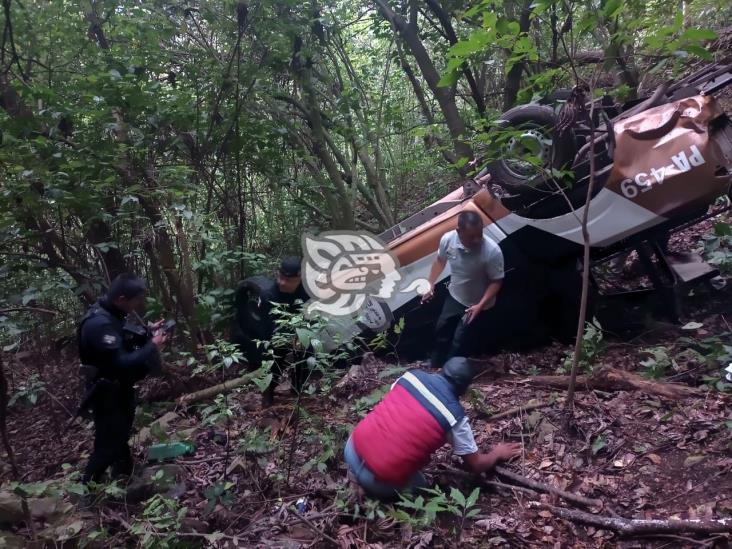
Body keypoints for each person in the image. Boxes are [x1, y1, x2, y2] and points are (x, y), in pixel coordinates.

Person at [344, 357, 521, 501]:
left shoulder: (410, 377)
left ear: (442, 370)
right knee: (422, 484)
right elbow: (476, 465)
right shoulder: (454, 417)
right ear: (465, 389)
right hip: (378, 482)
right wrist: (496, 453)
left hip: (352, 448)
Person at [77, 274, 168, 483]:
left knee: (118, 437)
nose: (140, 304)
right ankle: (86, 491)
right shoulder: (99, 324)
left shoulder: (112, 313)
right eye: (137, 300)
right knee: (107, 446)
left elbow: (123, 339)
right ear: (121, 299)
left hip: (119, 390)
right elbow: (121, 362)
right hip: (107, 394)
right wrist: (153, 345)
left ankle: (124, 474)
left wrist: (148, 332)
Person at [422, 211, 504, 368]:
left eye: (479, 234)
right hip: (455, 296)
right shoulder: (448, 240)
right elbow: (439, 261)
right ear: (458, 231)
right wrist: (430, 284)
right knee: (442, 329)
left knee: (461, 339)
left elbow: (496, 281)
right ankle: (435, 363)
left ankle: (450, 370)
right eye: (471, 236)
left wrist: (480, 305)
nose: (477, 239)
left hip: (478, 304)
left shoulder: (492, 251)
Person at [231, 257, 309, 407]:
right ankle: (268, 393)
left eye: (288, 280)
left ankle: (297, 388)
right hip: (276, 335)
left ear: (299, 279)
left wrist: (302, 335)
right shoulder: (269, 295)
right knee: (274, 356)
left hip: (299, 332)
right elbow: (268, 328)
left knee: (307, 351)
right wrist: (287, 337)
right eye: (280, 277)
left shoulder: (306, 293)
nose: (281, 282)